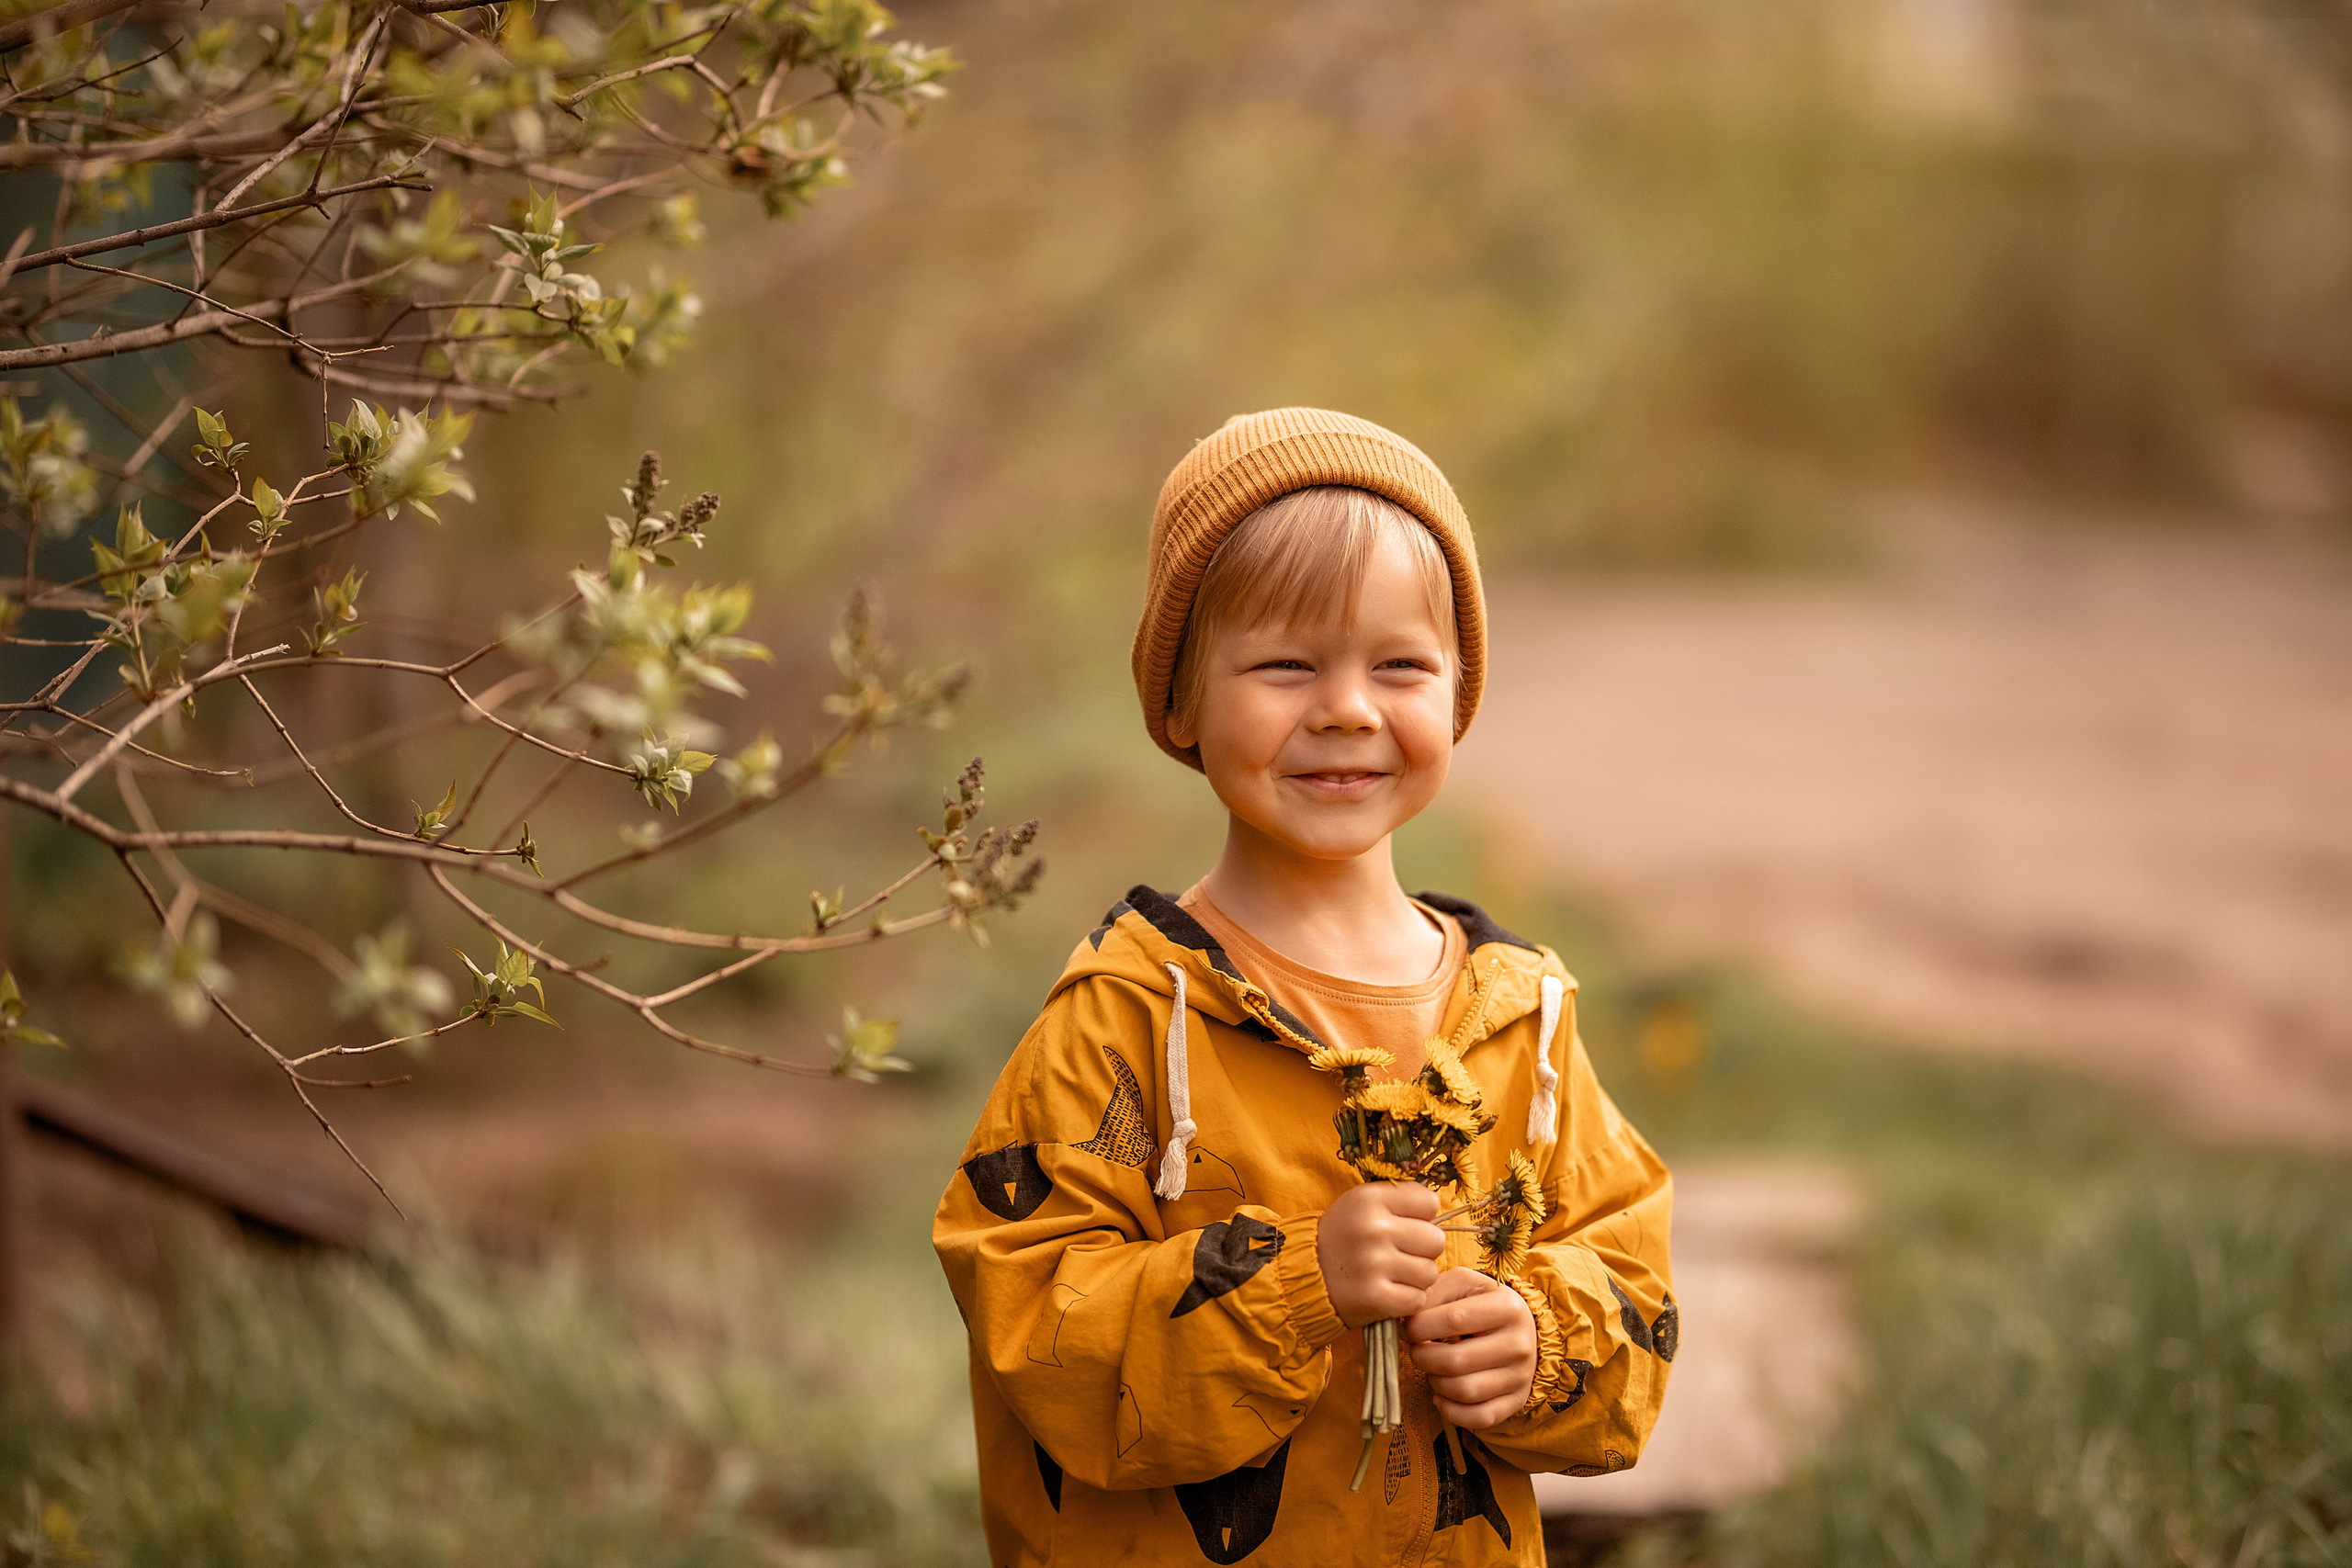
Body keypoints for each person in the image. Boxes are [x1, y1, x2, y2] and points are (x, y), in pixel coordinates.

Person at [933, 408, 1675, 1566]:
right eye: (1286, 664)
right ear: (1181, 702)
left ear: (1457, 696)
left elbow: (1631, 1281)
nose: (1346, 708)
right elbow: (1034, 1327)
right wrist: (1293, 1283)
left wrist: (1538, 1341)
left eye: (1399, 665)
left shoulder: (1517, 1024)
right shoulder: (1125, 1017)